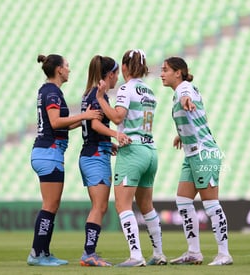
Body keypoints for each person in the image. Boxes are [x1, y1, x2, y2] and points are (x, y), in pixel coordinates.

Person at [27, 54, 102, 266]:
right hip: (49, 151)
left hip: (46, 151)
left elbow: (62, 124)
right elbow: (55, 121)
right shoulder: (52, 92)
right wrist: (84, 117)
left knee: (51, 205)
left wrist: (82, 120)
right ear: (59, 70)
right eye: (67, 66)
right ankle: (36, 253)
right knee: (50, 205)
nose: (69, 69)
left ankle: (43, 252)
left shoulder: (48, 90)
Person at [96, 49, 167, 267]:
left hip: (133, 150)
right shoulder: (149, 90)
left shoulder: (126, 89)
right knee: (147, 206)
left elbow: (118, 116)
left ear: (124, 67)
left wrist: (100, 98)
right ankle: (159, 253)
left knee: (122, 205)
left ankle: (136, 255)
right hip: (150, 150)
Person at [160, 56, 233, 266]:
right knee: (183, 201)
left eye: (165, 70)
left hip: (204, 153)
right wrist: (181, 134)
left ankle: (224, 253)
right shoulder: (180, 92)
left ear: (178, 72)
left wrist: (185, 100)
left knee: (211, 205)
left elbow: (186, 97)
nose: (161, 74)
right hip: (192, 153)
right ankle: (194, 252)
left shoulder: (185, 88)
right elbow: (198, 116)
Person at [79, 55, 130, 266]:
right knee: (99, 207)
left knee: (99, 207)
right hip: (94, 156)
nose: (117, 78)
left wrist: (109, 145)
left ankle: (90, 253)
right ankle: (88, 253)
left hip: (94, 153)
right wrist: (115, 134)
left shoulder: (88, 94)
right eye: (116, 73)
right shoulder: (97, 96)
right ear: (109, 74)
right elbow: (95, 125)